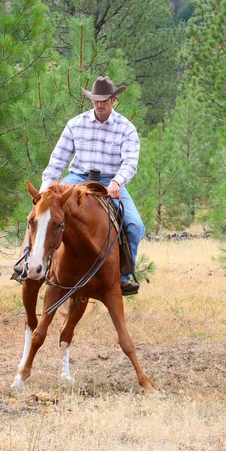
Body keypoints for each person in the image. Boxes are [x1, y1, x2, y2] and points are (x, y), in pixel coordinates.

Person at [17, 76, 145, 295]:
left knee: (135, 226)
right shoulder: (76, 124)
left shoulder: (126, 128)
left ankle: (122, 276)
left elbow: (130, 162)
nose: (100, 104)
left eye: (104, 99)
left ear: (113, 99)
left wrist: (117, 181)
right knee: (40, 212)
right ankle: (24, 261)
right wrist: (45, 189)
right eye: (96, 99)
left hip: (109, 180)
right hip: (77, 177)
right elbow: (58, 159)